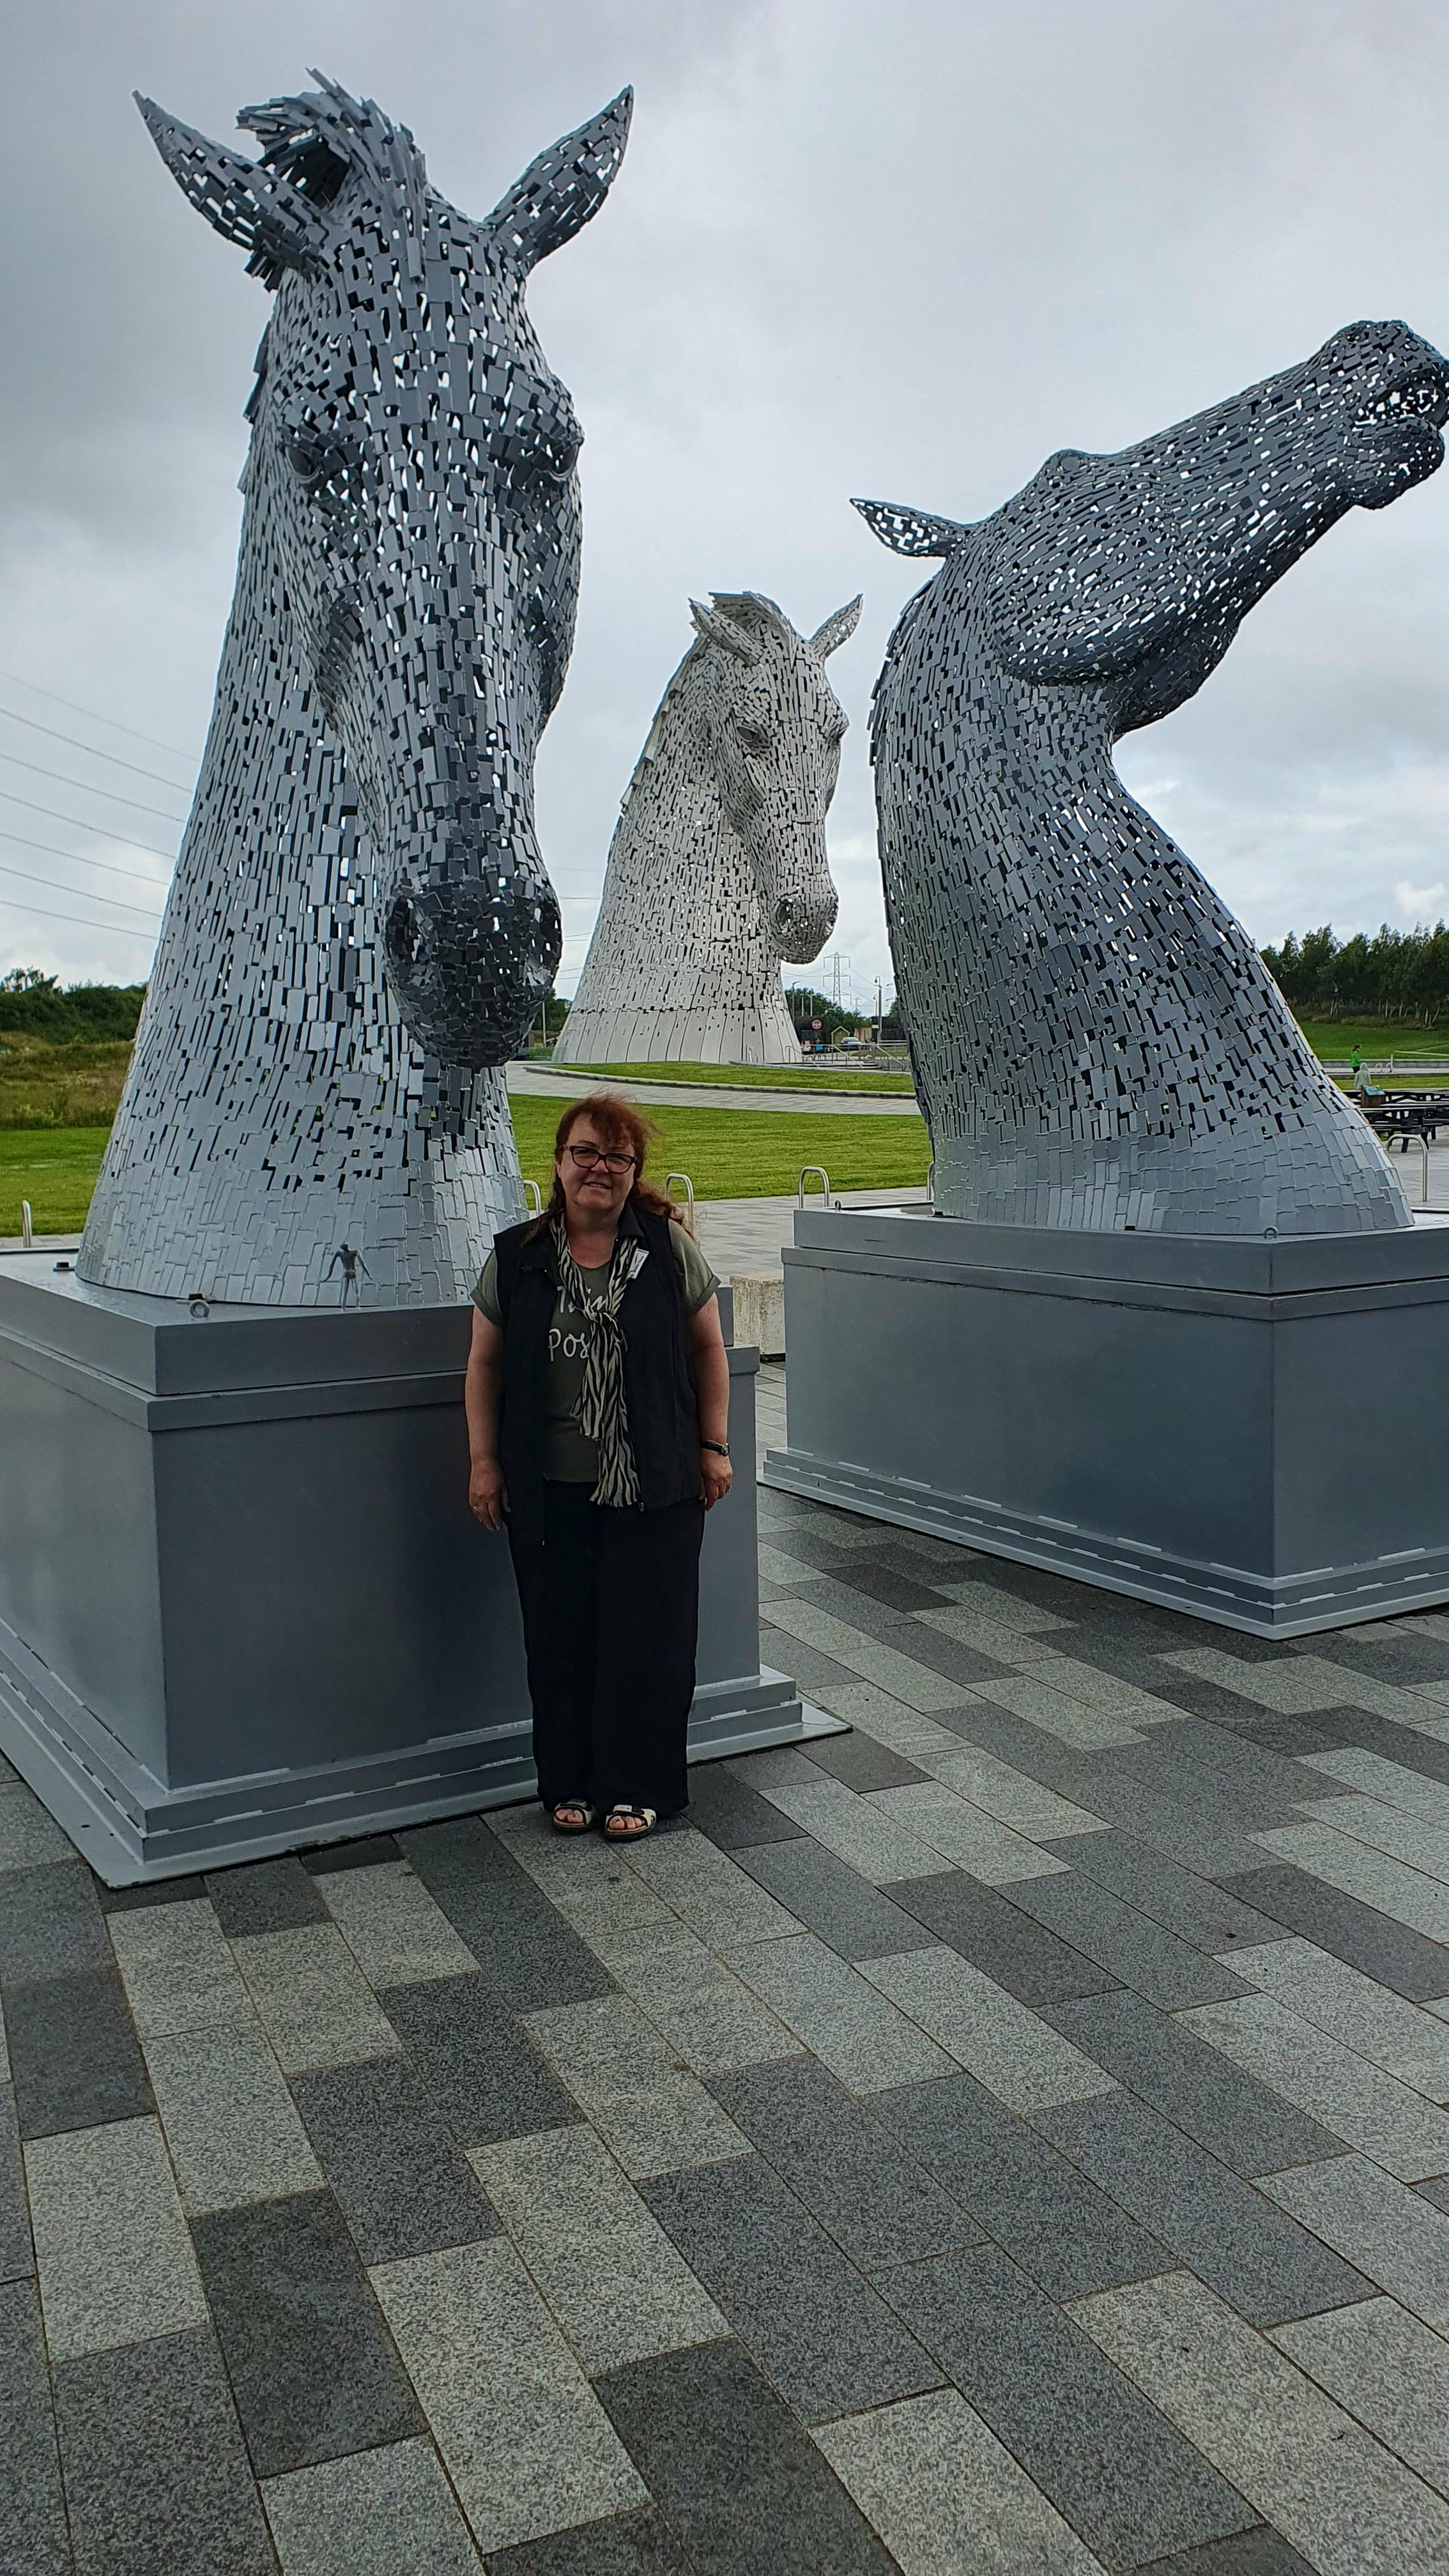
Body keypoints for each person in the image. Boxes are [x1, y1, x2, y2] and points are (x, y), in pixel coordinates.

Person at [464, 1092, 732, 1839]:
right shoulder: (517, 1257)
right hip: (550, 1490)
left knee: (647, 1640)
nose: (600, 1170)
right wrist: (484, 1463)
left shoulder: (665, 1249)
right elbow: (483, 1365)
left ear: (633, 1172)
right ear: (558, 1163)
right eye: (585, 1153)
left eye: (617, 1158)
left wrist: (714, 1447)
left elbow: (707, 1348)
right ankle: (569, 1784)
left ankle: (637, 1786)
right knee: (560, 1642)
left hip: (656, 1488)